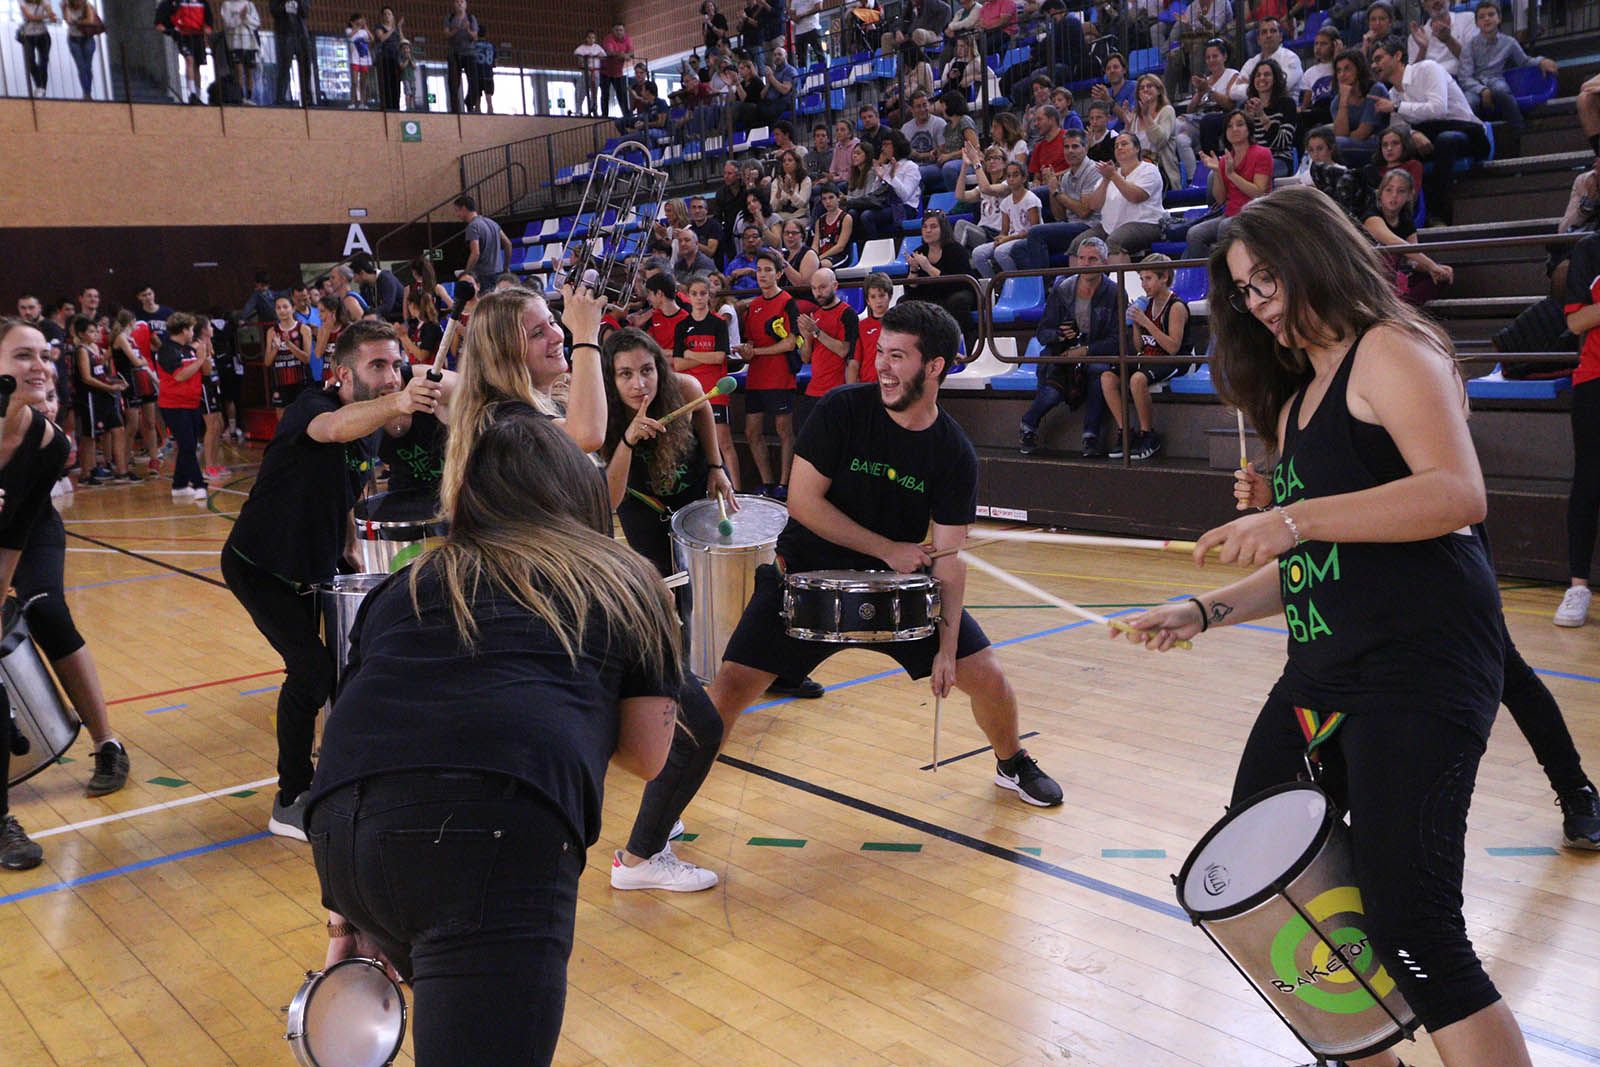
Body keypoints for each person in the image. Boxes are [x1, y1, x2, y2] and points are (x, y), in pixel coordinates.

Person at [1125, 184, 1539, 1067]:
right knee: (1273, 884)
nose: (1258, 304)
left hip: (1420, 669)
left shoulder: (1391, 350)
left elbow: (1458, 493)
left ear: (1317, 253)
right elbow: (1317, 563)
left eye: (1266, 279)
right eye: (1243, 291)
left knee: (1414, 923)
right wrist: (1206, 610)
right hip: (1324, 672)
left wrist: (1296, 516)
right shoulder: (1293, 399)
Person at [632, 301, 1065, 893]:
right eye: (879, 353)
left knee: (985, 674)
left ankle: (1013, 763)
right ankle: (659, 823)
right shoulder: (842, 410)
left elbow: (948, 557)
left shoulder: (953, 452)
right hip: (805, 577)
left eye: (897, 357)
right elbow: (804, 504)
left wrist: (944, 650)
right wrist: (887, 545)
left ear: (934, 367)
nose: (882, 367)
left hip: (899, 594)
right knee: (726, 693)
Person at [306, 405, 684, 1063]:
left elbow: (351, 732)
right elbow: (649, 754)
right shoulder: (625, 581)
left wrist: (347, 909)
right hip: (491, 834)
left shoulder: (404, 583)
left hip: (343, 838)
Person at [223, 322, 444, 842]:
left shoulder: (369, 422)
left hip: (314, 568)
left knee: (343, 669)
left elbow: (349, 481)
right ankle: (290, 797)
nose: (392, 376)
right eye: (378, 366)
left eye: (396, 364)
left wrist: (346, 543)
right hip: (261, 568)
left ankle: (338, 773)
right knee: (311, 673)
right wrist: (399, 403)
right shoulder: (311, 408)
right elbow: (334, 429)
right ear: (342, 373)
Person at [0, 319, 80, 871]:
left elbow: (16, 531)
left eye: (44, 355)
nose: (39, 366)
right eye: (22, 354)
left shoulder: (48, 446)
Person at [1019, 237, 1122, 457]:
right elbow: (1042, 332)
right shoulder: (1063, 289)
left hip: (1094, 353)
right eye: (1082, 258)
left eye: (1092, 259)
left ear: (1104, 262)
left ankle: (1090, 436)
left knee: (1098, 371)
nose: (1085, 264)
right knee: (1053, 386)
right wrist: (1059, 335)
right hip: (1062, 352)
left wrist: (1086, 351)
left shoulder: (1115, 292)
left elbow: (1117, 339)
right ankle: (1028, 425)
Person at [1369, 39, 1489, 226]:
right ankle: (1396, 217)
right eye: (1373, 61)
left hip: (1467, 132)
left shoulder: (1427, 69)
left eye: (1378, 59)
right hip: (1430, 136)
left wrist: (1396, 107)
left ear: (1398, 56)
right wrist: (1413, 133)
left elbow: (1438, 109)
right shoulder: (1392, 94)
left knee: (1445, 140)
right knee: (1391, 150)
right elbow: (1400, 129)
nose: (1374, 65)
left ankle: (1440, 214)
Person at [1101, 253, 1190, 461]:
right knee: (1108, 377)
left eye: (1148, 278)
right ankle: (1126, 432)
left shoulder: (1175, 306)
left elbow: (1173, 347)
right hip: (1150, 357)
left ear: (1164, 277)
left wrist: (1147, 323)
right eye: (1141, 279)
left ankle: (1148, 434)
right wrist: (1137, 325)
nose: (1143, 284)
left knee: (1137, 379)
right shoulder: (1146, 304)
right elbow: (1140, 346)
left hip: (1175, 360)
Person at [1559, 231, 1600, 629]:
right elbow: (1576, 320)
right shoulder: (1590, 249)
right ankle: (1578, 586)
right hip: (1595, 378)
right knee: (1589, 481)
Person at [736, 250, 799, 500]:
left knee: (784, 429)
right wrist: (746, 352)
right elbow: (751, 341)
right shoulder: (753, 307)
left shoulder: (787, 303)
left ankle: (785, 483)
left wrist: (757, 352)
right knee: (752, 431)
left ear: (779, 274)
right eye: (759, 270)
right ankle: (767, 482)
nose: (762, 274)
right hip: (756, 376)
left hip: (780, 375)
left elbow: (791, 343)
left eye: (768, 270)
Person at [1457, 1, 1557, 158]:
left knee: (1501, 90)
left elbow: (1524, 61)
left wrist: (1541, 61)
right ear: (1477, 23)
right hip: (1474, 85)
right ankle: (1473, 146)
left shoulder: (1509, 42)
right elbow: (1465, 77)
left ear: (1499, 18)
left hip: (1496, 78)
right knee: (1470, 103)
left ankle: (1520, 132)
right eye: (1482, 17)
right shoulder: (1469, 46)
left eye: (1491, 15)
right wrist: (1482, 90)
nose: (1487, 19)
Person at [673, 274, 737, 487]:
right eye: (694, 294)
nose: (699, 298)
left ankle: (736, 488)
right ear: (688, 296)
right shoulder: (682, 326)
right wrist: (699, 358)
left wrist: (690, 354)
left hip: (716, 390)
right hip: (691, 392)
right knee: (693, 443)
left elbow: (719, 357)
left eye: (703, 293)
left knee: (724, 443)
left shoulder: (718, 323)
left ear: (709, 295)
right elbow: (678, 364)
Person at [1184, 110, 1274, 261]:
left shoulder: (1262, 154)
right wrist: (1218, 171)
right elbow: (1220, 199)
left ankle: (1228, 273)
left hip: (1256, 214)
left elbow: (1258, 193)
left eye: (1240, 125)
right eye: (1230, 126)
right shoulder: (1226, 159)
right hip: (1230, 213)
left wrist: (1232, 174)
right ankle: (1206, 274)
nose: (1235, 129)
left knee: (1225, 226)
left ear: (1249, 129)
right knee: (1194, 234)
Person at [1363, 169, 1453, 306]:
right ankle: (1399, 308)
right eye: (1388, 190)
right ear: (1380, 193)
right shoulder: (1371, 216)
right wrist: (1431, 265)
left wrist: (1438, 269)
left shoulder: (1406, 221)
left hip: (1394, 278)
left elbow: (1412, 261)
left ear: (1410, 195)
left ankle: (1402, 306)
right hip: (1370, 278)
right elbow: (1397, 244)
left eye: (1401, 191)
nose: (1394, 196)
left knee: (1441, 278)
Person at [1075, 131, 1167, 261]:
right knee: (1078, 244)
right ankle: (1080, 280)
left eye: (1124, 144)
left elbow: (1135, 197)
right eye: (1116, 145)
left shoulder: (1149, 170)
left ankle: (1118, 281)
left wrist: (1113, 176)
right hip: (1109, 226)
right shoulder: (1110, 172)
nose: (1119, 148)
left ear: (1136, 148)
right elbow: (1094, 205)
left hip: (1146, 223)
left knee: (1115, 242)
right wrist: (1106, 180)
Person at [70, 314, 132, 486]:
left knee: (117, 429)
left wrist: (116, 382)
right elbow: (87, 378)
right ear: (81, 334)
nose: (96, 334)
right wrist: (110, 387)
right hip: (89, 397)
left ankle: (121, 470)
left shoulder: (97, 349)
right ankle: (85, 474)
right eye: (91, 331)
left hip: (103, 396)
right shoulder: (82, 350)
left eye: (96, 331)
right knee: (89, 436)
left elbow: (102, 375)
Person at [1123, 73, 1193, 192]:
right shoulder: (1135, 116)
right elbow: (1130, 149)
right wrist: (1127, 127)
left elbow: (1160, 141)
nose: (1145, 89)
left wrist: (1146, 116)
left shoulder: (1167, 111)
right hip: (1137, 171)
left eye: (1149, 86)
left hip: (1160, 171)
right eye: (1141, 87)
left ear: (1159, 90)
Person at [798, 267, 861, 398]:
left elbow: (844, 350)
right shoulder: (815, 315)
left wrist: (816, 331)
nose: (818, 293)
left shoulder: (847, 314)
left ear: (835, 286)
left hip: (836, 390)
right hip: (813, 388)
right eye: (814, 288)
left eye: (822, 287)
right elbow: (805, 358)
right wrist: (807, 337)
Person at [972, 161, 1041, 278]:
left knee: (1001, 252)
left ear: (1024, 178)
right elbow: (1004, 231)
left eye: (1015, 175)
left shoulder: (1031, 199)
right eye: (1008, 176)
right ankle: (994, 284)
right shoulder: (1006, 202)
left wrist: (1007, 239)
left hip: (1027, 238)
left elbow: (1035, 231)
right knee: (978, 253)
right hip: (1011, 238)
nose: (1011, 179)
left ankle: (1014, 282)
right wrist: (1000, 238)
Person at [1242, 57, 1299, 176]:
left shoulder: (1287, 104)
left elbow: (1281, 143)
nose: (1262, 78)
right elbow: (1241, 145)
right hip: (1252, 160)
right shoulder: (1247, 106)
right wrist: (1248, 122)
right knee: (1216, 175)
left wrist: (1262, 116)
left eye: (1267, 74)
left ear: (1275, 79)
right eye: (1258, 75)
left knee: (1252, 171)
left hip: (1279, 159)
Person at [455, 194, 512, 293]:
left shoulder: (472, 226)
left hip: (483, 276)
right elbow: (508, 244)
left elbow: (475, 253)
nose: (457, 214)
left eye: (457, 210)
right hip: (498, 273)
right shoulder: (492, 223)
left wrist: (466, 274)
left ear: (464, 208)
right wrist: (506, 267)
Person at [270, 0, 315, 105]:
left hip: (301, 34)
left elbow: (305, 12)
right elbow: (273, 10)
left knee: (305, 67)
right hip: (285, 34)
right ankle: (280, 98)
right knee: (284, 67)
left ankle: (307, 99)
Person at [62, 0, 104, 99]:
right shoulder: (67, 6)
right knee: (81, 67)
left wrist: (76, 22)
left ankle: (88, 91)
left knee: (87, 66)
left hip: (87, 39)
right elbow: (67, 20)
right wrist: (64, 9)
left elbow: (90, 20)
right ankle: (86, 92)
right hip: (74, 39)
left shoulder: (87, 6)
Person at [445, 0, 480, 113]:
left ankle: (470, 102)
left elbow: (475, 37)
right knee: (453, 83)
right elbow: (446, 34)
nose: (459, 4)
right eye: (457, 2)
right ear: (454, 4)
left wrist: (468, 29)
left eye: (462, 2)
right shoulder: (449, 18)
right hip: (454, 53)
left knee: (474, 82)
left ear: (465, 5)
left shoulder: (471, 18)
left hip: (469, 53)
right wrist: (456, 29)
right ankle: (455, 109)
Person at [812, 187, 854, 269]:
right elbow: (815, 244)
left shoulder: (846, 218)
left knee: (819, 265)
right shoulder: (819, 221)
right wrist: (812, 256)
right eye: (824, 199)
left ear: (838, 198)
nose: (827, 202)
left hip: (838, 256)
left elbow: (840, 247)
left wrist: (819, 258)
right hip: (821, 257)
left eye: (831, 197)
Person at [575, 29, 606, 115]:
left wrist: (599, 56)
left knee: (595, 91)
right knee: (582, 90)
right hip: (586, 72)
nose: (591, 39)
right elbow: (579, 58)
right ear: (586, 38)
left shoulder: (597, 47)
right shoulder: (581, 48)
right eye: (589, 37)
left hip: (596, 72)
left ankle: (594, 108)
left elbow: (604, 56)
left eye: (593, 38)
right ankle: (579, 109)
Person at [345, 11, 372, 106]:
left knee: (363, 82)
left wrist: (366, 28)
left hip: (364, 58)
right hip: (354, 58)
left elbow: (372, 39)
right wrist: (356, 27)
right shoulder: (349, 30)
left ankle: (362, 102)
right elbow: (350, 35)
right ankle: (352, 102)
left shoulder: (364, 32)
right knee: (354, 82)